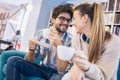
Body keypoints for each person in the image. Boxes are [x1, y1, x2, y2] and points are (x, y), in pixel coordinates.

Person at [6, 4, 73, 80]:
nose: (65, 23)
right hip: (42, 69)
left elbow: (62, 69)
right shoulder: (42, 34)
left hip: (58, 73)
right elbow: (29, 61)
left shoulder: (71, 40)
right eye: (62, 19)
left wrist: (59, 46)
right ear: (53, 20)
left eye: (68, 20)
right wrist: (31, 51)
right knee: (13, 61)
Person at [56, 2, 120, 80]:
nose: (72, 23)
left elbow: (103, 77)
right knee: (67, 77)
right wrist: (76, 68)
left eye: (75, 19)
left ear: (85, 18)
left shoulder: (113, 41)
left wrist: (83, 67)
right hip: (82, 75)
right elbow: (71, 66)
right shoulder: (76, 38)